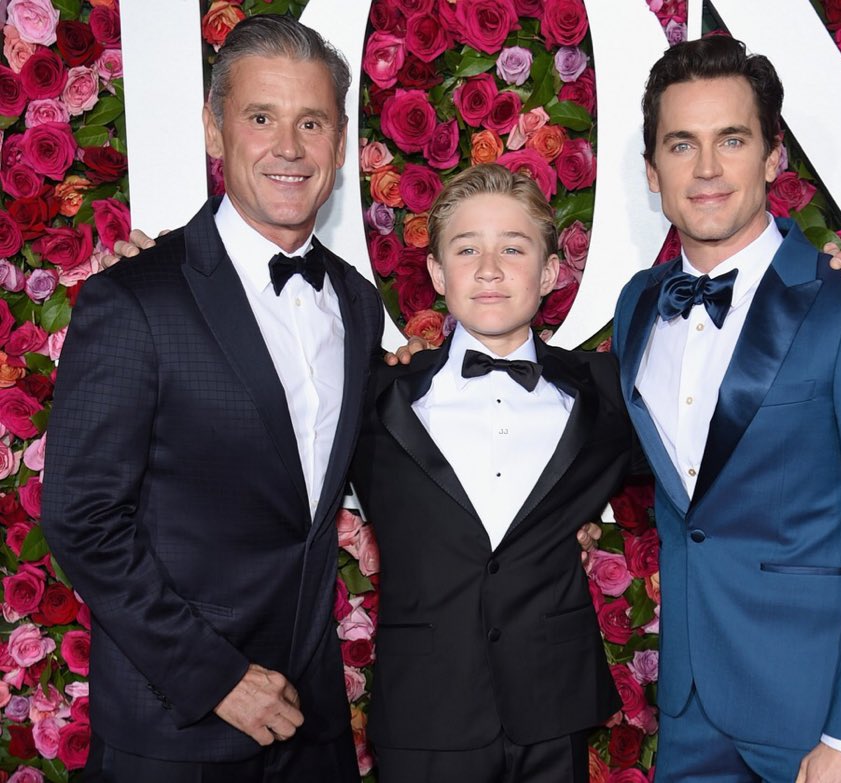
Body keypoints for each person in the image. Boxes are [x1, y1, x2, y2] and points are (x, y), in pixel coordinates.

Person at [40, 15, 376, 782]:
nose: (288, 148)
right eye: (261, 118)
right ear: (214, 130)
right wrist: (217, 676)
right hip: (177, 731)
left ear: (341, 140)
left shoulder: (356, 303)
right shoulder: (135, 300)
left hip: (314, 732)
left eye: (312, 122)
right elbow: (81, 516)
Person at [612, 36, 841, 783]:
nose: (705, 169)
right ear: (652, 169)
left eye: (731, 139)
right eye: (680, 144)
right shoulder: (637, 305)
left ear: (771, 157)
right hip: (690, 715)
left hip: (812, 719)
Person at [347, 164, 638, 783]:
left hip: (553, 711)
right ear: (436, 273)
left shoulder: (606, 393)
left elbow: (708, 437)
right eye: (466, 248)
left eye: (513, 247)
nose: (489, 268)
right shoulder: (374, 398)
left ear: (551, 272)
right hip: (425, 714)